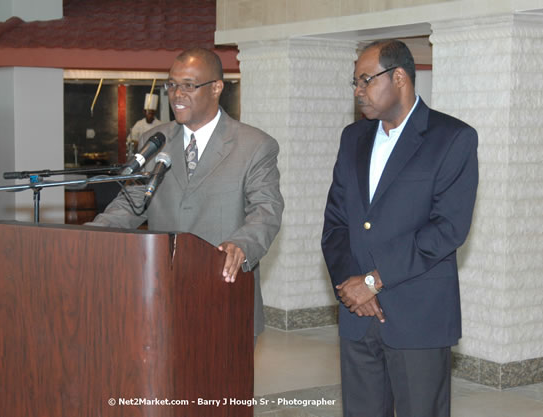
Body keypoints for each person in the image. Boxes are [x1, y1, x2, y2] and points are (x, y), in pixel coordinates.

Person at [321, 40, 478, 417]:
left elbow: (447, 229)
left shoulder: (452, 138)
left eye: (365, 80)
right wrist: (350, 286)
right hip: (357, 316)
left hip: (418, 318)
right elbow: (335, 223)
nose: (358, 91)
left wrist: (373, 281)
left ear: (401, 78)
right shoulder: (353, 138)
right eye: (355, 82)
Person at [90, 48, 284, 342]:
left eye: (189, 86)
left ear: (216, 87)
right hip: (160, 292)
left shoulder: (254, 145)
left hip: (223, 292)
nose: (177, 94)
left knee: (219, 387)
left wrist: (242, 244)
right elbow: (130, 206)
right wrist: (87, 237)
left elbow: (266, 211)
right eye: (172, 85)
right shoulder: (155, 141)